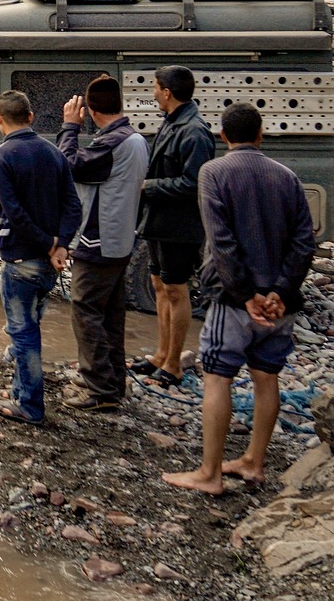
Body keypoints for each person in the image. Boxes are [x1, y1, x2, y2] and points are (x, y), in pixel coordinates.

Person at [162, 103, 316, 495]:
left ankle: (209, 473)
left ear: (223, 136)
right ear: (261, 134)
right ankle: (253, 462)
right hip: (280, 305)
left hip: (234, 300)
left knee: (217, 379)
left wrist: (247, 295)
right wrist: (280, 292)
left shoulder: (213, 172)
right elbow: (303, 242)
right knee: (267, 378)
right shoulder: (288, 177)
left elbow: (222, 242)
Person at [0, 89, 81, 425]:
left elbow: (14, 214)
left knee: (23, 334)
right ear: (30, 117)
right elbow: (73, 206)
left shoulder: (1, 158)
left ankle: (30, 405)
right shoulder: (54, 153)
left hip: (21, 259)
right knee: (30, 326)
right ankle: (19, 392)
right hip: (50, 262)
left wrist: (49, 243)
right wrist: (61, 245)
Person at [56, 75, 149, 410]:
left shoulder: (113, 144)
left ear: (92, 112)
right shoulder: (134, 138)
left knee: (85, 311)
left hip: (99, 241)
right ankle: (113, 381)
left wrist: (69, 127)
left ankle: (101, 391)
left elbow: (68, 166)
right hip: (120, 238)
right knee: (110, 314)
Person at [133, 64, 215, 388]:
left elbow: (195, 183)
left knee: (176, 291)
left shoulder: (194, 131)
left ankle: (174, 366)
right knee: (159, 285)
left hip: (179, 225)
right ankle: (161, 355)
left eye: (154, 87)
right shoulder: (171, 123)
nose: (152, 93)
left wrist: (147, 187)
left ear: (167, 92)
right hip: (159, 221)